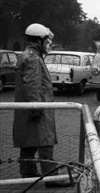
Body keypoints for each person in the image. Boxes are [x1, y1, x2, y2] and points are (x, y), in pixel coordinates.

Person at [14, 23, 72, 188]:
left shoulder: (28, 55)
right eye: (47, 40)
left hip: (27, 109)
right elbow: (33, 85)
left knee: (28, 143)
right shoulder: (33, 59)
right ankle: (51, 178)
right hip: (36, 108)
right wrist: (37, 107)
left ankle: (28, 173)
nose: (49, 43)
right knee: (45, 142)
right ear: (39, 40)